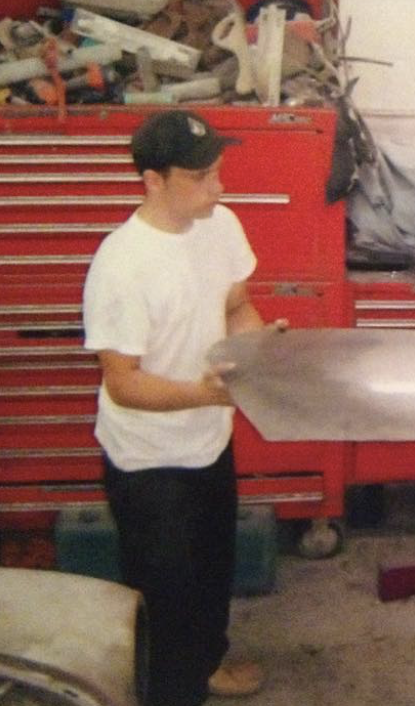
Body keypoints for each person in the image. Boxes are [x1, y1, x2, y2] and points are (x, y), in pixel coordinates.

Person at [83, 110, 278, 706]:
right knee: (167, 604)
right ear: (153, 181)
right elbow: (123, 384)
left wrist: (258, 348)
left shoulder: (220, 224)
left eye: (218, 172)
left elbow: (237, 305)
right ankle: (176, 691)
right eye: (199, 178)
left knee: (213, 574)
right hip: (148, 462)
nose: (216, 188)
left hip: (208, 441)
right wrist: (209, 393)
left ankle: (209, 666)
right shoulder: (121, 265)